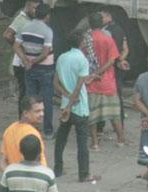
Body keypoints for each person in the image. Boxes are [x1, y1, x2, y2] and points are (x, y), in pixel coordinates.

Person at [54, 30, 98, 184]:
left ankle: (58, 169)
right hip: (79, 107)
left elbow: (56, 83)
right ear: (81, 43)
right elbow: (79, 86)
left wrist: (67, 99)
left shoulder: (61, 57)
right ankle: (84, 174)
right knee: (82, 143)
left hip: (66, 105)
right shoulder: (82, 60)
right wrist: (73, 100)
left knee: (61, 138)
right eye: (85, 41)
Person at [85, 12, 124, 151]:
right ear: (102, 23)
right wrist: (100, 72)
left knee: (93, 115)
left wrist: (94, 73)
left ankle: (95, 143)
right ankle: (120, 140)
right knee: (114, 113)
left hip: (92, 82)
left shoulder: (86, 39)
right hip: (108, 82)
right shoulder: (107, 38)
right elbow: (112, 60)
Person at [16, 3, 55, 137]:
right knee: (46, 99)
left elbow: (16, 46)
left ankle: (29, 128)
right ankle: (48, 131)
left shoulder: (25, 27)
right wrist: (34, 61)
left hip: (29, 69)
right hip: (45, 68)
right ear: (47, 16)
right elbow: (45, 52)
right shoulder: (47, 31)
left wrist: (26, 60)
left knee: (30, 98)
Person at [5, 0, 41, 118]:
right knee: (25, 94)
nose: (36, 11)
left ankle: (27, 118)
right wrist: (20, 50)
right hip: (21, 64)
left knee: (29, 93)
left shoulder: (30, 20)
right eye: (35, 8)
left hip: (26, 62)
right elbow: (7, 35)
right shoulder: (21, 19)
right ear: (28, 7)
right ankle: (23, 119)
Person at [99, 11, 129, 130]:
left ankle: (100, 126)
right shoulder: (120, 29)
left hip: (108, 67)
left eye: (102, 16)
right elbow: (125, 49)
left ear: (109, 16)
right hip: (116, 66)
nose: (100, 19)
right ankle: (120, 124)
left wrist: (114, 61)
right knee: (118, 96)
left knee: (102, 96)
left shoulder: (107, 32)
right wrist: (120, 60)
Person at [0, 96, 47, 170]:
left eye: (42, 110)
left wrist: (12, 175)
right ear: (25, 113)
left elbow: (3, 161)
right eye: (37, 111)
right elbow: (40, 165)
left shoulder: (9, 129)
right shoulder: (32, 135)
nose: (42, 114)